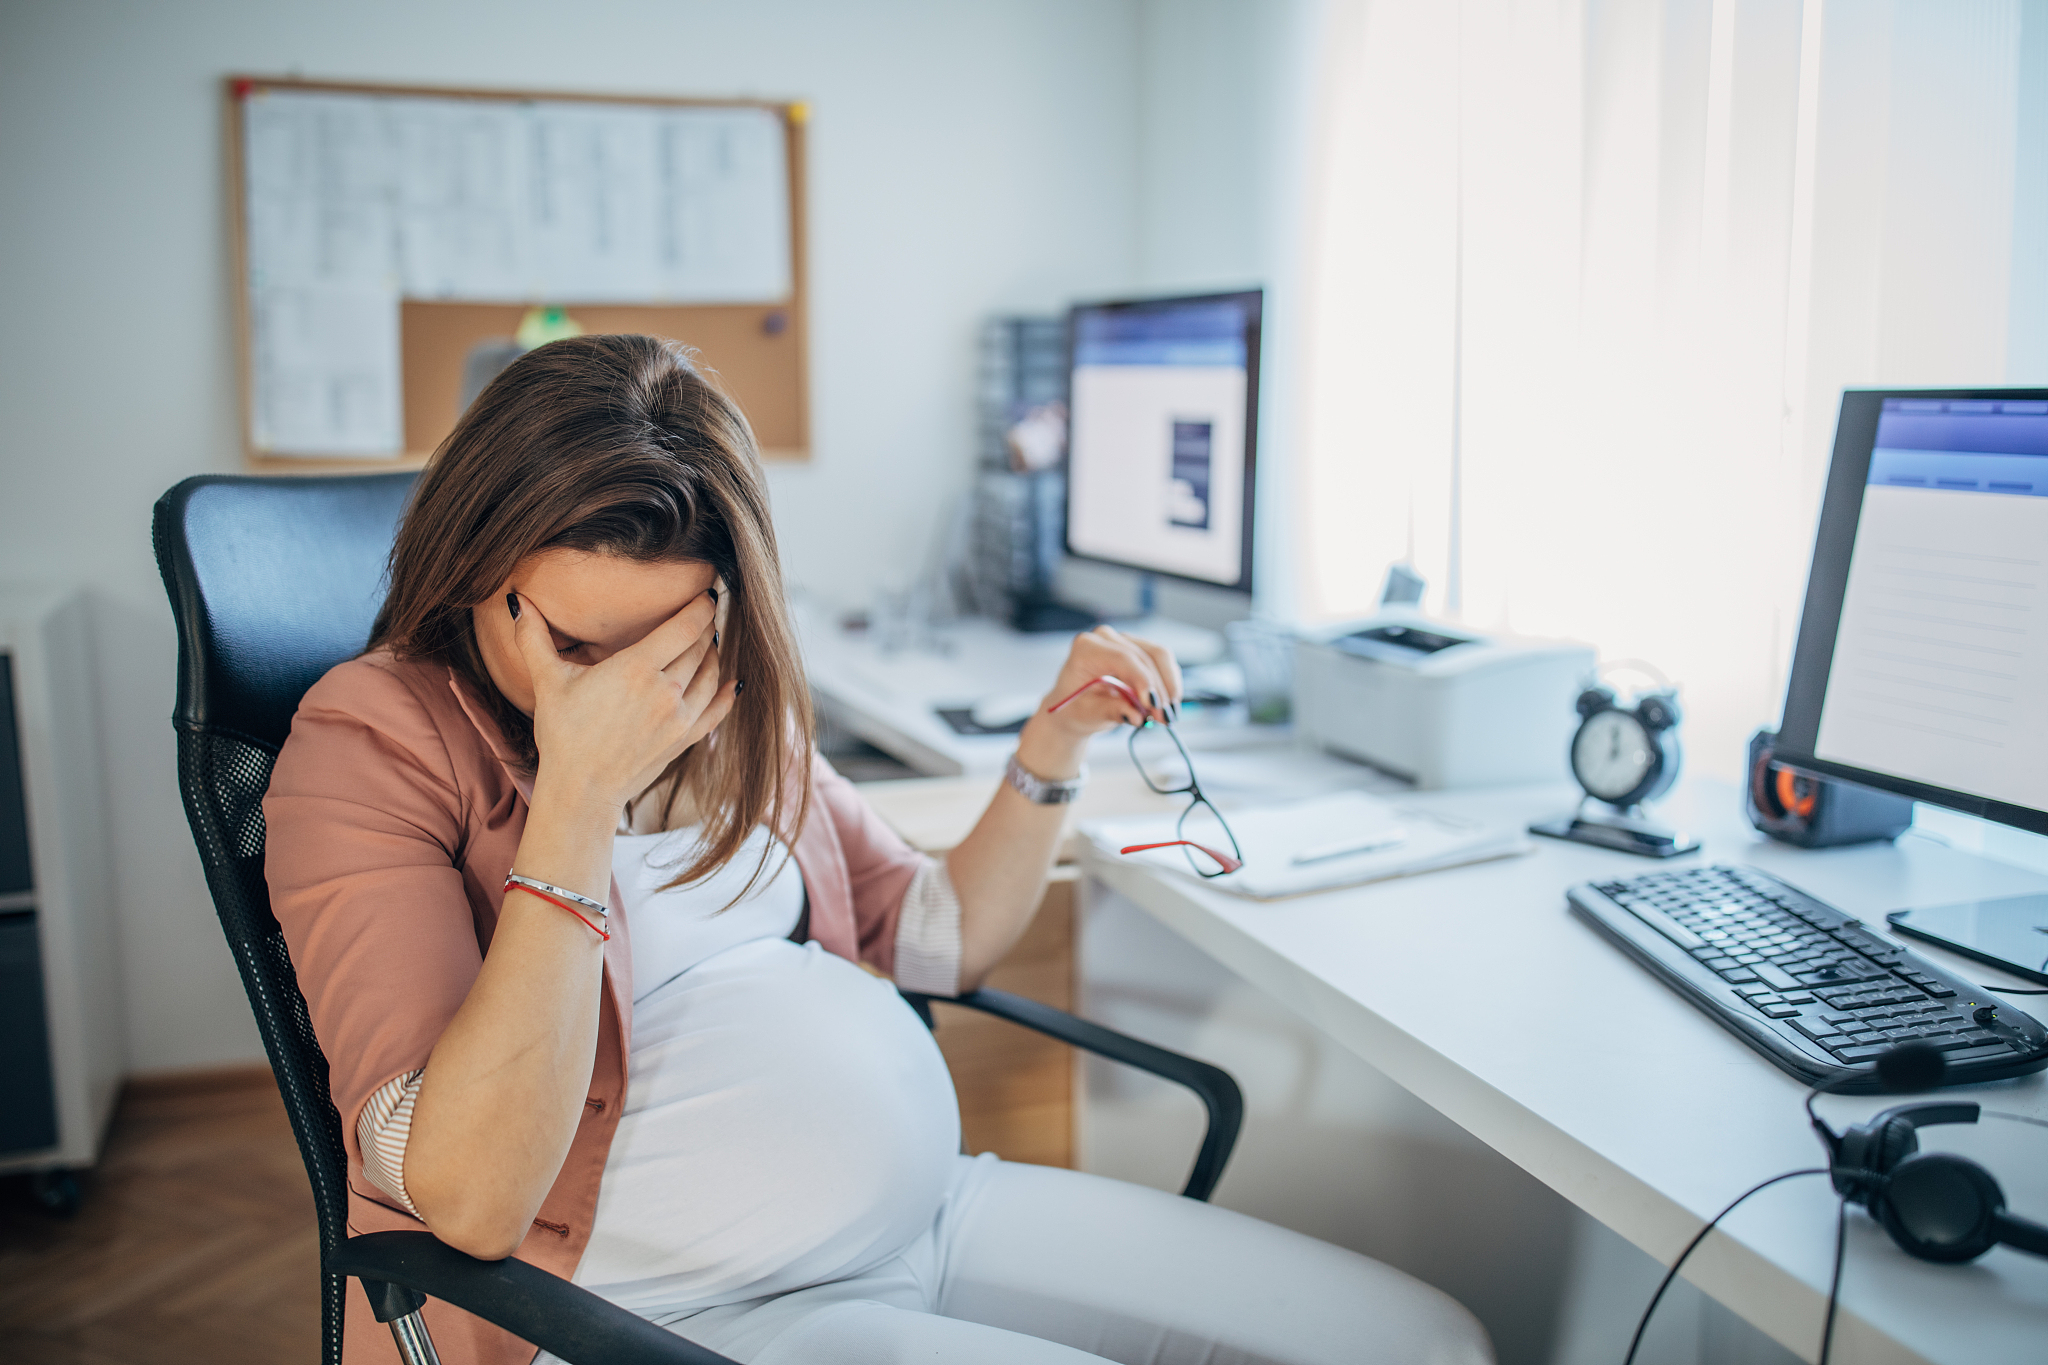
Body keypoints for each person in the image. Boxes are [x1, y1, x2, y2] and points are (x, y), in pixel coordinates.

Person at [265, 333, 1493, 1365]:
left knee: (1426, 1340)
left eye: (675, 653)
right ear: (476, 576)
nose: (641, 695)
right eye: (584, 653)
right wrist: (578, 798)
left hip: (932, 1214)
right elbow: (463, 1197)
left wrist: (1048, 748)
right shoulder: (370, 741)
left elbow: (933, 935)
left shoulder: (733, 707)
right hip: (680, 1312)